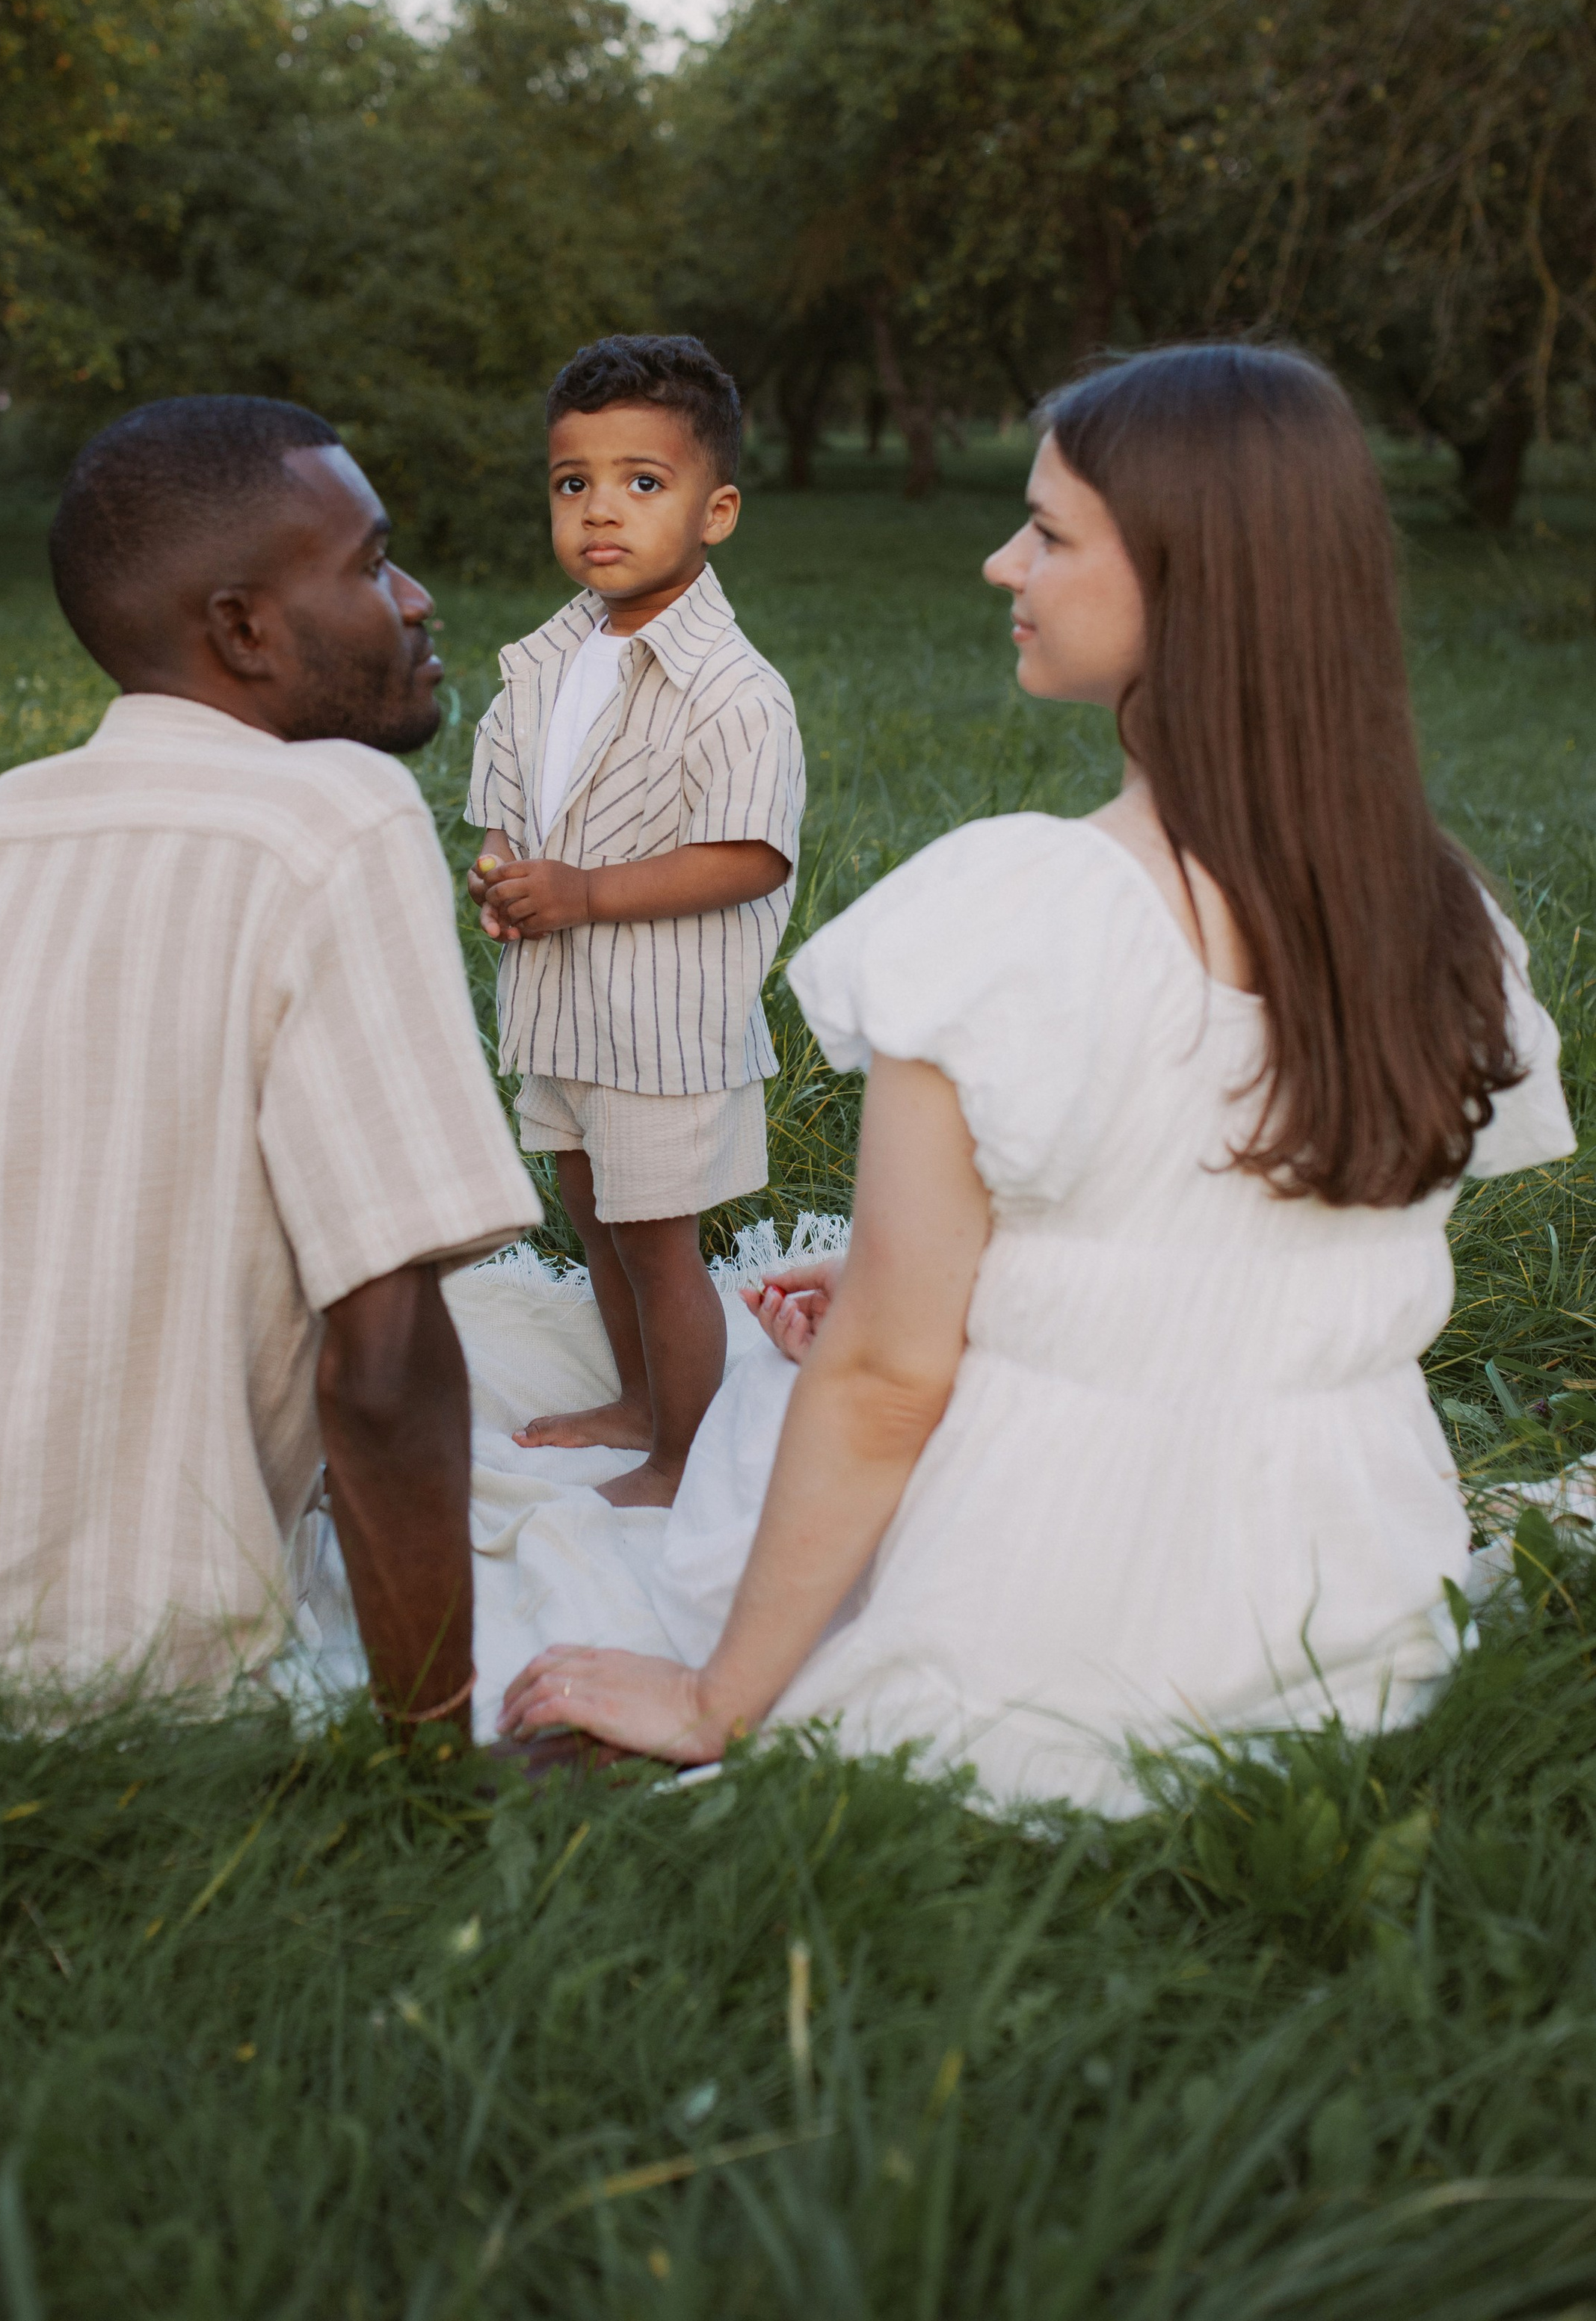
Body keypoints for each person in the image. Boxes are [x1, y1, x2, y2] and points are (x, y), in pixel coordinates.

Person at [488, 345, 1577, 1812]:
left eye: (1050, 534)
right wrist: (964, 1305)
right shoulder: (1442, 918)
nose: (1004, 564)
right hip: (1345, 1569)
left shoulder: (1020, 913)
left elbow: (884, 1383)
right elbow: (1231, 1259)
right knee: (812, 1336)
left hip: (1065, 1588)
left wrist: (712, 1696)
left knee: (789, 1394)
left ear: (1193, 585)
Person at [0, 397, 539, 1733]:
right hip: (159, 1631)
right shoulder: (345, 812)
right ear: (243, 628)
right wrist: (438, 1737)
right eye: (373, 564)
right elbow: (383, 1356)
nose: (417, 600)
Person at [464, 335, 806, 1508]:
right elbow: (505, 808)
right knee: (591, 1214)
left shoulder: (735, 690)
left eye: (642, 484)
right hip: (563, 1013)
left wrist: (589, 893)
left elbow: (752, 854)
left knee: (659, 1237)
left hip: (664, 1027)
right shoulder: (544, 665)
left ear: (715, 512)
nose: (602, 511)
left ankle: (683, 1456)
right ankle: (636, 1399)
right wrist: (503, 873)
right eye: (575, 484)